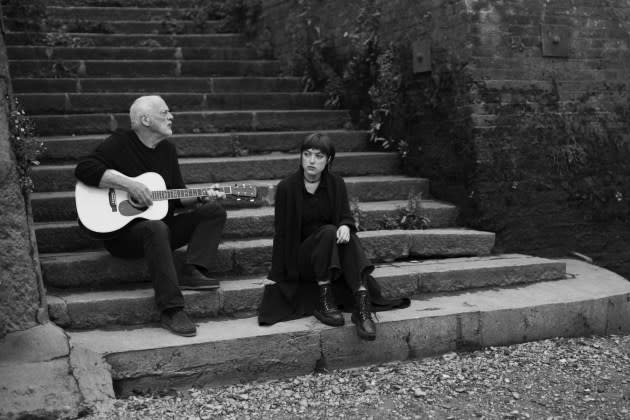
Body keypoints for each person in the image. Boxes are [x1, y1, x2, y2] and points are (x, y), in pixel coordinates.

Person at [74, 95, 227, 337]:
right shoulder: (120, 143)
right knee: (156, 227)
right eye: (164, 112)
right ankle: (171, 309)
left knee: (213, 212)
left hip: (160, 231)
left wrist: (201, 196)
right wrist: (129, 185)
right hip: (123, 236)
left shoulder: (167, 149)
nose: (171, 116)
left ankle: (193, 269)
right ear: (145, 119)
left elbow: (174, 196)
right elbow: (84, 169)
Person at [258, 132, 410, 340]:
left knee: (344, 235)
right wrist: (278, 274)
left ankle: (362, 305)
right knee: (329, 231)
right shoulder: (287, 188)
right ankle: (324, 299)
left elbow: (345, 215)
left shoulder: (336, 183)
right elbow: (282, 233)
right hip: (303, 259)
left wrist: (346, 225)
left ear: (329, 160)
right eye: (307, 154)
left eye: (319, 156)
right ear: (301, 156)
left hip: (331, 258)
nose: (311, 161)